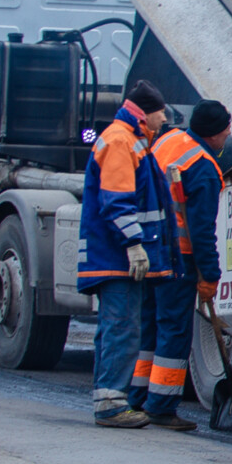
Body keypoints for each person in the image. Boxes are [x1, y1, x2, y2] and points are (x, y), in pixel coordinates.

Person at [130, 99, 232, 431]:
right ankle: (161, 405)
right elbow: (202, 230)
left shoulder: (169, 141)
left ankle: (138, 397)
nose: (228, 136)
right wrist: (210, 275)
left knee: (150, 326)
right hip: (178, 258)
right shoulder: (203, 166)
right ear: (216, 134)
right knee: (174, 329)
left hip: (149, 249)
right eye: (227, 130)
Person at [81, 79, 177, 428]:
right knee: (122, 327)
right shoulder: (122, 142)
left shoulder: (130, 139)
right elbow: (117, 201)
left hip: (113, 255)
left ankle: (108, 398)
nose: (164, 118)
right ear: (143, 113)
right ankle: (110, 405)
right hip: (117, 256)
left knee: (114, 327)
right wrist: (134, 244)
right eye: (160, 112)